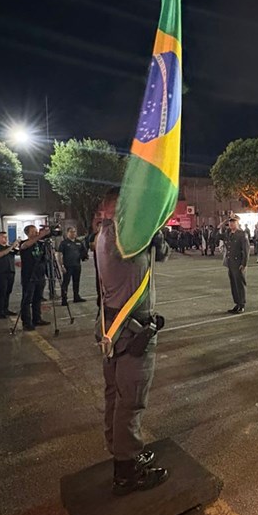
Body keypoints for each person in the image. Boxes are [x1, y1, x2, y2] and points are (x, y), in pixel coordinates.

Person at [96, 186, 168, 495]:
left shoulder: (106, 235)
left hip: (115, 329)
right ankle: (126, 471)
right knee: (130, 401)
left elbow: (160, 253)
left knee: (115, 396)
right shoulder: (124, 241)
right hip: (131, 333)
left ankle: (122, 450)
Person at [18, 224, 52, 330]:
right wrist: (41, 235)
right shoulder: (24, 243)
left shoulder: (40, 244)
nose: (36, 233)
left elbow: (46, 258)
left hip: (39, 275)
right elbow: (25, 246)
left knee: (37, 299)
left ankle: (37, 319)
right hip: (29, 276)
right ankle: (26, 322)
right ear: (27, 233)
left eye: (36, 231)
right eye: (33, 231)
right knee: (27, 299)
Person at [222, 215, 249, 313]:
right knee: (233, 284)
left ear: (237, 223)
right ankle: (237, 303)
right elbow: (215, 236)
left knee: (240, 284)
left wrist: (244, 263)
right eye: (230, 222)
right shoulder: (229, 234)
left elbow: (246, 250)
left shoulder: (242, 234)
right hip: (230, 263)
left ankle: (241, 304)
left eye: (233, 222)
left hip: (238, 263)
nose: (231, 224)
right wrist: (221, 224)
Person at [58, 226, 88, 305]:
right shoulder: (64, 243)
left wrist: (84, 257)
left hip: (77, 265)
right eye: (71, 232)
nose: (73, 233)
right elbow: (60, 254)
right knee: (65, 283)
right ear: (67, 233)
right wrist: (61, 266)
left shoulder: (79, 242)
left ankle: (76, 297)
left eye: (74, 232)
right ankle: (64, 299)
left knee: (76, 282)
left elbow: (83, 252)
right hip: (67, 266)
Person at [0, 231, 18, 318]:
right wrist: (11, 246)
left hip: (10, 272)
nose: (6, 239)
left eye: (6, 237)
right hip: (0, 273)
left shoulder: (9, 247)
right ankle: (1, 311)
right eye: (3, 237)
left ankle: (6, 309)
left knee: (8, 291)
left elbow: (17, 251)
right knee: (2, 292)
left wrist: (16, 245)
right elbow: (0, 254)